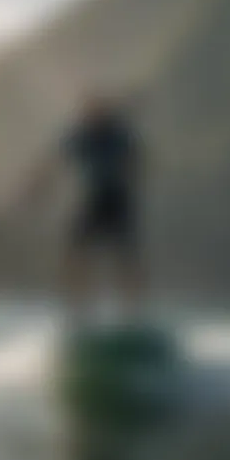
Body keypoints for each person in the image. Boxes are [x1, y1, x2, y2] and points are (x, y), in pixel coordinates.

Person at [24, 93, 145, 317]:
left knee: (125, 256)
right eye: (89, 112)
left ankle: (133, 311)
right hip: (92, 200)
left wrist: (132, 174)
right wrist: (36, 187)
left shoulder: (118, 135)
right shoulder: (80, 136)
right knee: (76, 253)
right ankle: (78, 308)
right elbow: (54, 161)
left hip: (117, 200)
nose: (93, 116)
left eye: (98, 111)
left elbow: (136, 160)